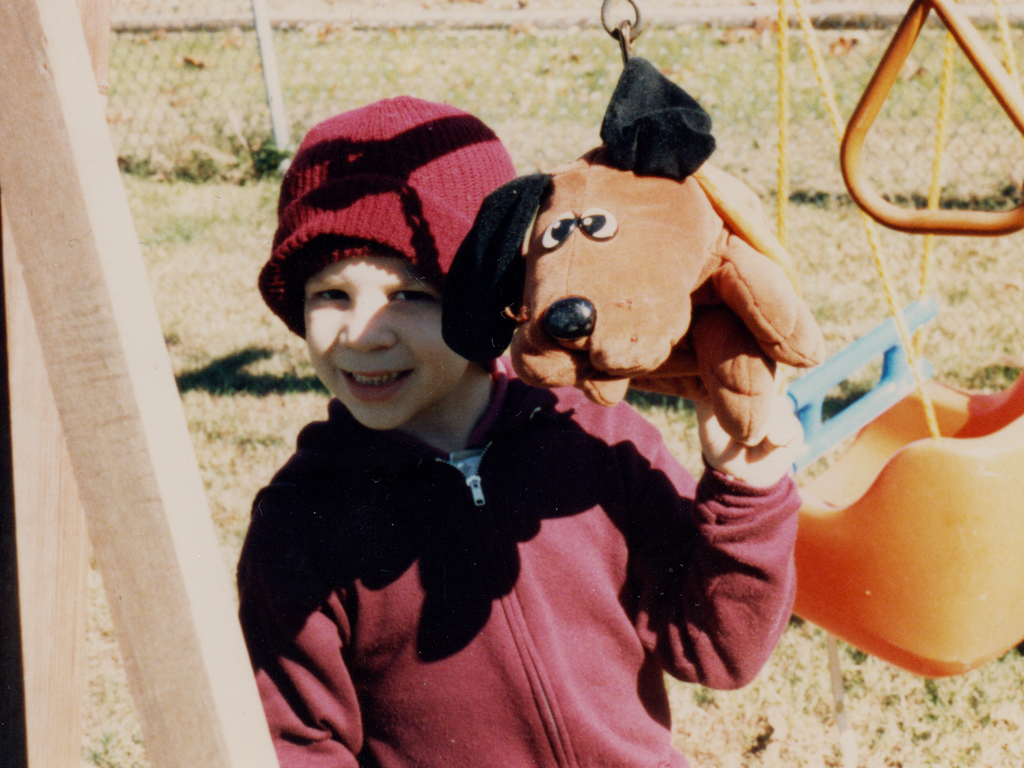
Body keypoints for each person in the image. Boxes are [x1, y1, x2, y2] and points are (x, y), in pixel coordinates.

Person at [238, 95, 804, 768]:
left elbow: (719, 649)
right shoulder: (302, 518)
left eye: (411, 296)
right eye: (331, 294)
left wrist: (748, 492)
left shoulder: (597, 439)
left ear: (489, 300)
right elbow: (298, 742)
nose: (363, 333)